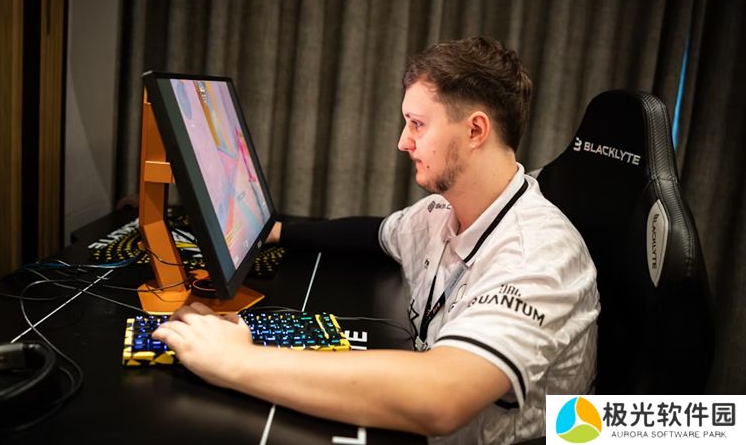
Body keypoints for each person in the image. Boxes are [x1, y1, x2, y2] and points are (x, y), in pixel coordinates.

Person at [153, 36, 600, 443]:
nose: (403, 142)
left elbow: (443, 397)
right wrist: (277, 231)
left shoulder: (536, 254)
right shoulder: (439, 213)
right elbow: (376, 234)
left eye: (417, 124)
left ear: (475, 131)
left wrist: (235, 361)